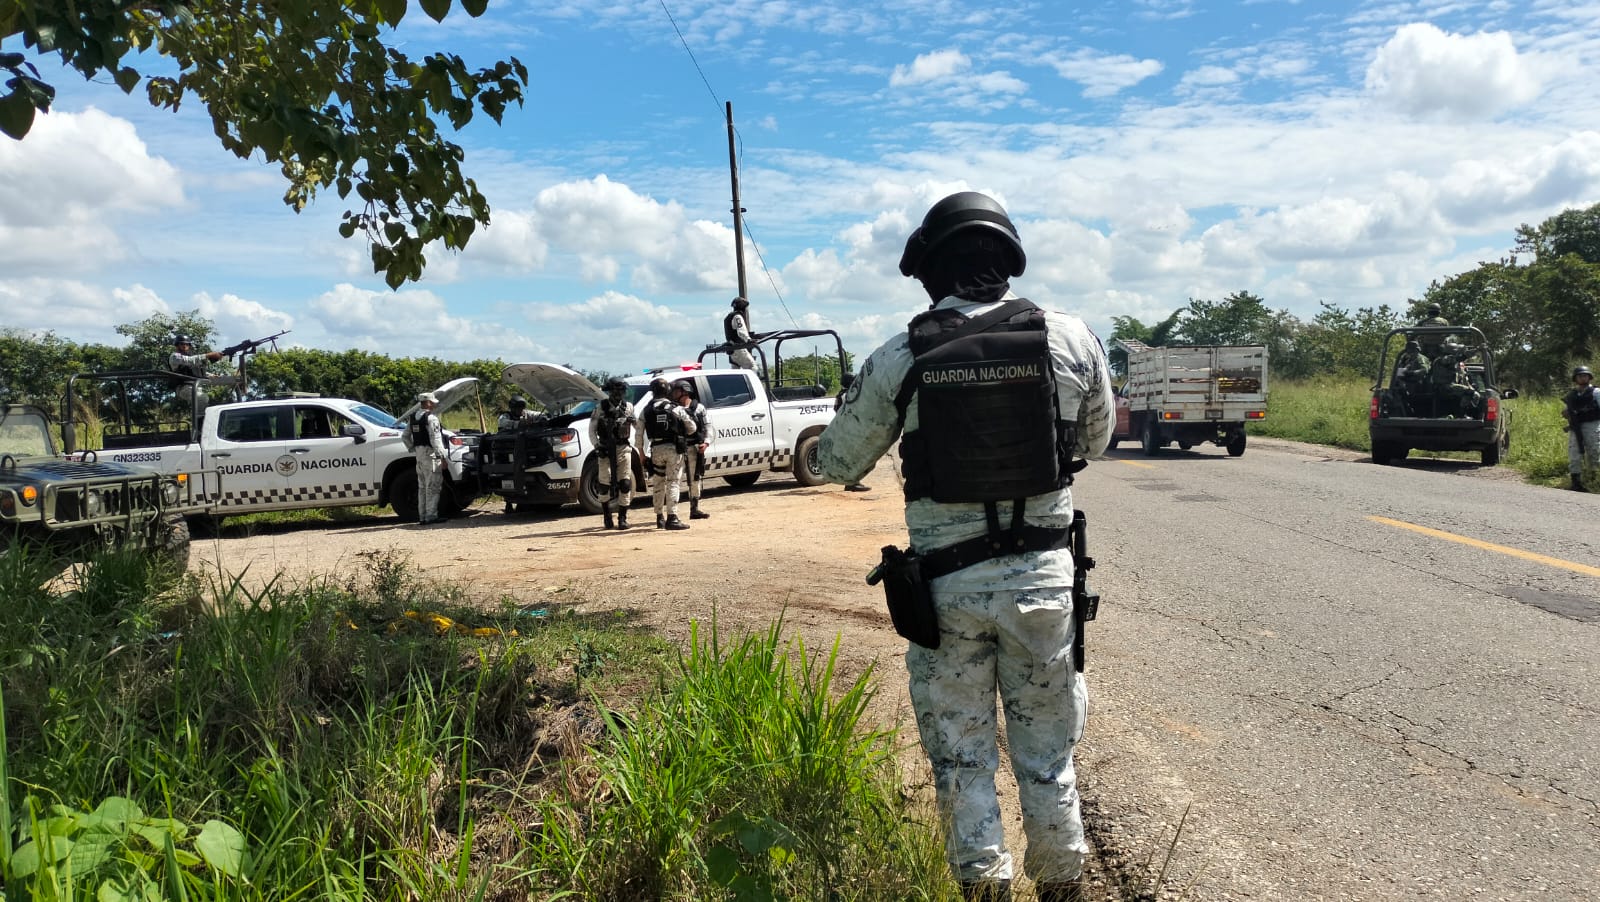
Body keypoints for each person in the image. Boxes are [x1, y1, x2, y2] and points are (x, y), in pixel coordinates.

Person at [817, 191, 1114, 902]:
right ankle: (1064, 889)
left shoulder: (900, 355)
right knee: (1048, 759)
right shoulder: (1070, 338)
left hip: (947, 596)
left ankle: (985, 892)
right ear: (1005, 259)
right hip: (1044, 586)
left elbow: (836, 463)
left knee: (962, 759)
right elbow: (1095, 440)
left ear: (932, 272)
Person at [641, 377, 696, 530]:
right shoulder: (675, 409)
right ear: (667, 391)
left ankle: (659, 517)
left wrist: (641, 453)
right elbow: (692, 427)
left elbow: (639, 434)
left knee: (658, 482)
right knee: (673, 482)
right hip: (673, 449)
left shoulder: (646, 410)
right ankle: (672, 517)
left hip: (656, 449)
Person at [590, 377, 638, 528]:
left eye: (621, 390)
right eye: (615, 390)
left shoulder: (628, 407)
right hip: (605, 448)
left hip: (623, 448)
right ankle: (607, 517)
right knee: (604, 485)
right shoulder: (600, 408)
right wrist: (597, 446)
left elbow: (637, 426)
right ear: (610, 391)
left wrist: (632, 421)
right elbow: (592, 430)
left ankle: (623, 518)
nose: (618, 394)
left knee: (625, 483)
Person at [407, 391, 448, 525]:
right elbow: (435, 439)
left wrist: (413, 448)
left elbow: (404, 436)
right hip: (430, 454)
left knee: (422, 487)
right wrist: (442, 457)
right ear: (428, 403)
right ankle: (431, 516)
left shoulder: (413, 417)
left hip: (419, 456)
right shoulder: (431, 418)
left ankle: (422, 516)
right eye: (433, 402)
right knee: (433, 486)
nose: (434, 405)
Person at [1562, 365, 1600, 491]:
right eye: (1580, 376)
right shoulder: (1572, 395)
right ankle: (1576, 483)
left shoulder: (1596, 392)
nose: (1582, 378)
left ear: (1589, 377)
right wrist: (1566, 412)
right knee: (1574, 453)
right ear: (1575, 379)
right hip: (1576, 426)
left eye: (1585, 375)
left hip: (1592, 424)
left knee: (1595, 451)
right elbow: (1568, 410)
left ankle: (1595, 479)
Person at [679, 380, 713, 519]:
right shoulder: (674, 409)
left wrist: (706, 443)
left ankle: (694, 508)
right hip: (679, 448)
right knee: (675, 479)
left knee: (695, 478)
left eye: (677, 391)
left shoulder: (699, 408)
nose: (673, 393)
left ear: (685, 392)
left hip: (695, 447)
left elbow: (708, 426)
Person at [168, 334, 224, 413]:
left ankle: (203, 418)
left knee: (211, 402)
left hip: (196, 386)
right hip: (184, 387)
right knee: (202, 398)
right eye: (182, 344)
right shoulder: (175, 356)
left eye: (186, 344)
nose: (184, 346)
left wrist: (211, 375)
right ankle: (200, 421)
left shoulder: (190, 356)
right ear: (177, 345)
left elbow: (197, 371)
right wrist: (209, 355)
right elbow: (189, 360)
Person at [1392, 340, 1431, 414]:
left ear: (1417, 350)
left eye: (1412, 351)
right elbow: (1399, 370)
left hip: (1419, 386)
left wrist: (1411, 373)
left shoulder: (1421, 358)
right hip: (1407, 384)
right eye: (1409, 351)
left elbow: (1424, 370)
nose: (1410, 353)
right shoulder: (1407, 359)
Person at [724, 297, 759, 371]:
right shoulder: (737, 316)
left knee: (735, 371)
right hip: (738, 347)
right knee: (752, 367)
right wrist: (748, 339)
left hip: (731, 349)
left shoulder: (728, 317)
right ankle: (751, 382)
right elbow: (741, 331)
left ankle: (733, 383)